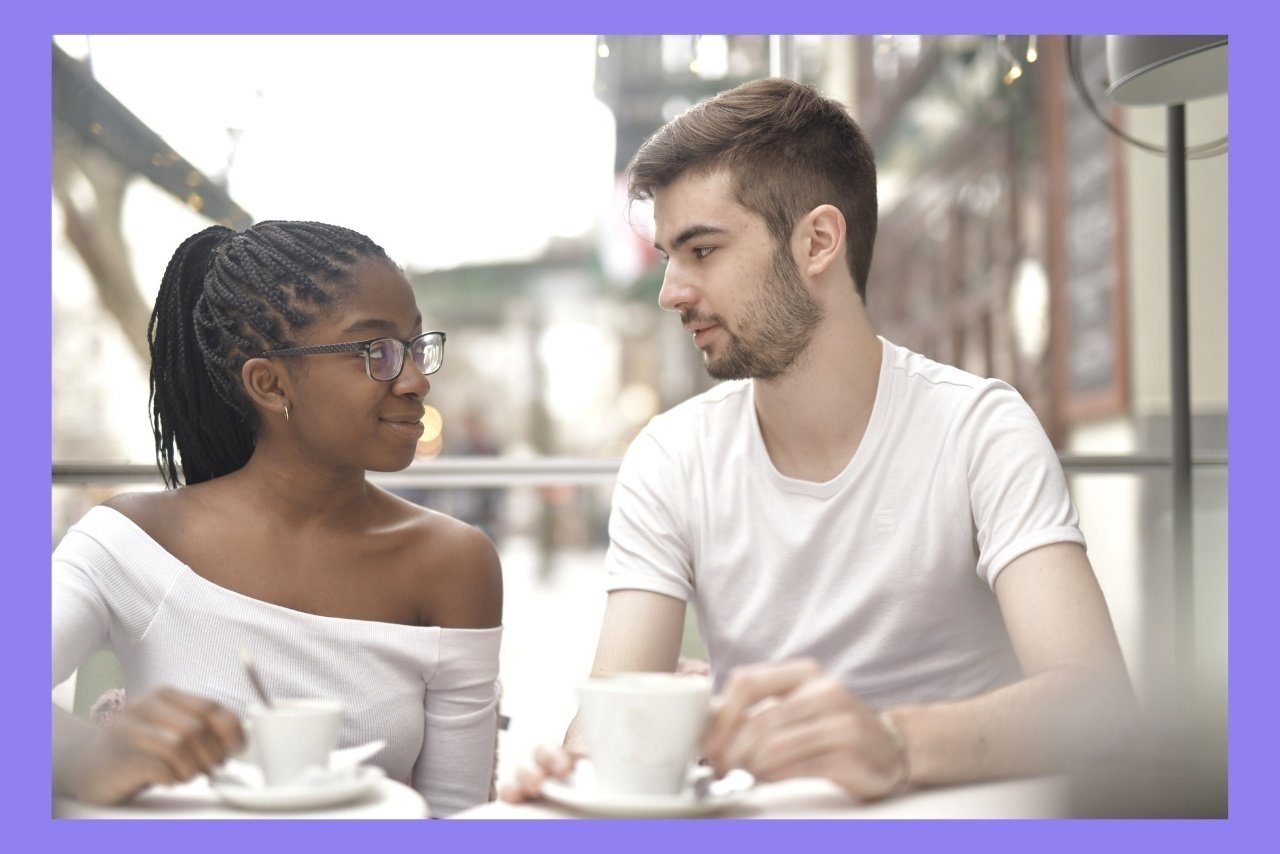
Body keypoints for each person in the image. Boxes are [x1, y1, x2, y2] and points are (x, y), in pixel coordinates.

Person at [503, 78, 1134, 803]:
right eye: (670, 257)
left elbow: (1100, 704)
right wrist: (570, 768)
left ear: (818, 242)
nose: (670, 291)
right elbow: (609, 722)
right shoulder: (671, 457)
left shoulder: (980, 428)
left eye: (701, 251)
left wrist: (892, 744)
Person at [52, 220, 503, 817]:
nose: (417, 380)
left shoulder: (455, 562)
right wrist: (93, 757)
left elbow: (457, 818)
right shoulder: (131, 544)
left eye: (416, 348)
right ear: (269, 383)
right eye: (378, 353)